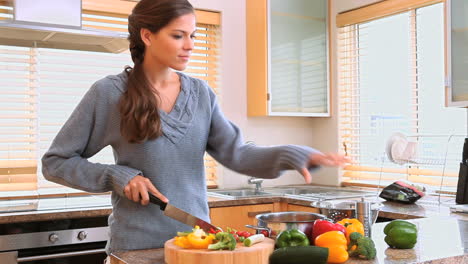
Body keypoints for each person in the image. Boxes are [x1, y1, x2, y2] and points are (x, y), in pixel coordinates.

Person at [41, 0, 348, 255]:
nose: (189, 45)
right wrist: (117, 176)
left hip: (196, 245)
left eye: (193, 36)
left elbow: (238, 154)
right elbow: (56, 162)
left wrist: (294, 155)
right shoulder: (109, 93)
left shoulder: (201, 94)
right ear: (147, 36)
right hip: (135, 250)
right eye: (178, 36)